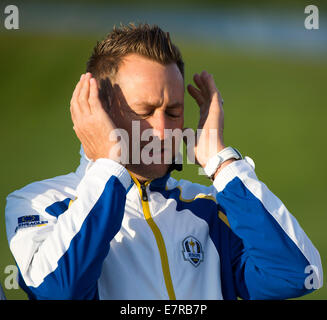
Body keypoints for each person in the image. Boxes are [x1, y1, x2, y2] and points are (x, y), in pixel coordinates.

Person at [5, 23, 323, 300]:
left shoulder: (210, 209)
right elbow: (58, 291)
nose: (162, 130)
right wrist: (108, 167)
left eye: (173, 112)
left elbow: (298, 274)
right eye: (144, 112)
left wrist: (221, 163)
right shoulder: (39, 204)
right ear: (98, 110)